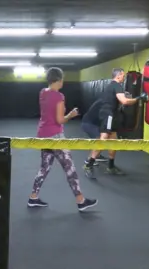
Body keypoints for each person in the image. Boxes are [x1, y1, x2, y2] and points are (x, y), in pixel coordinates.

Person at [27, 67, 98, 211]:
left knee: (44, 168)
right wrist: (71, 115)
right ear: (59, 80)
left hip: (43, 135)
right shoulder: (59, 96)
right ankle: (80, 200)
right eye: (62, 79)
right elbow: (60, 120)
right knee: (70, 168)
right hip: (56, 136)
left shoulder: (43, 92)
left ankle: (33, 197)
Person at [83, 68, 148, 179]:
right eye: (122, 75)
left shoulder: (112, 86)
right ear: (118, 76)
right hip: (108, 115)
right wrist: (139, 98)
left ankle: (111, 166)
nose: (123, 77)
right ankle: (88, 164)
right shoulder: (116, 85)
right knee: (103, 139)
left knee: (114, 140)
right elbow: (125, 101)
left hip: (111, 115)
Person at [80, 99, 108, 166]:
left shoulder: (106, 100)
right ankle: (89, 159)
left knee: (103, 138)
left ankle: (97, 155)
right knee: (100, 139)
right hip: (88, 124)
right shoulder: (108, 104)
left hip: (92, 123)